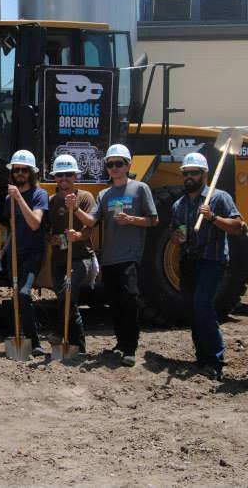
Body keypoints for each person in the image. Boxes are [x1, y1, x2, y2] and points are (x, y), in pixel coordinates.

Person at [72, 144, 158, 367]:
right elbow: (91, 221)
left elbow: (153, 220)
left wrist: (131, 220)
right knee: (116, 303)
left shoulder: (140, 189)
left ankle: (130, 347)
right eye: (110, 164)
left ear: (128, 165)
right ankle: (120, 343)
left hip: (130, 255)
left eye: (119, 164)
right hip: (109, 257)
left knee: (129, 299)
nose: (115, 168)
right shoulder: (104, 194)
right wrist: (75, 209)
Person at [169, 152, 244, 379]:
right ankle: (202, 356)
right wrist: (176, 237)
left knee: (203, 305)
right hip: (188, 261)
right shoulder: (178, 205)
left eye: (194, 173)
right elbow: (175, 234)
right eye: (186, 173)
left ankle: (214, 359)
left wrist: (212, 217)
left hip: (212, 261)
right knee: (192, 309)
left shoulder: (219, 198)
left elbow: (238, 226)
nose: (189, 177)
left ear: (204, 174)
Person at [0, 149, 50, 356]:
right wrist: (3, 251)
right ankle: (21, 337)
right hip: (14, 254)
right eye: (16, 170)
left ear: (31, 173)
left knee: (23, 293)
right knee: (17, 297)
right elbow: (13, 228)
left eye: (24, 170)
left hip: (33, 253)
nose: (19, 173)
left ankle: (35, 342)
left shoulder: (40, 195)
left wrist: (19, 198)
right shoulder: (7, 200)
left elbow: (35, 224)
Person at [48, 154, 97, 355]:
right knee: (68, 301)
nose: (64, 179)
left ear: (75, 177)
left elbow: (91, 224)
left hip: (82, 258)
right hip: (59, 259)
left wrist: (75, 209)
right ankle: (79, 347)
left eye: (68, 175)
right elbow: (48, 231)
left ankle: (59, 331)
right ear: (55, 178)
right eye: (60, 175)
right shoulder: (51, 201)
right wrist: (55, 239)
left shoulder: (85, 197)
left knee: (67, 292)